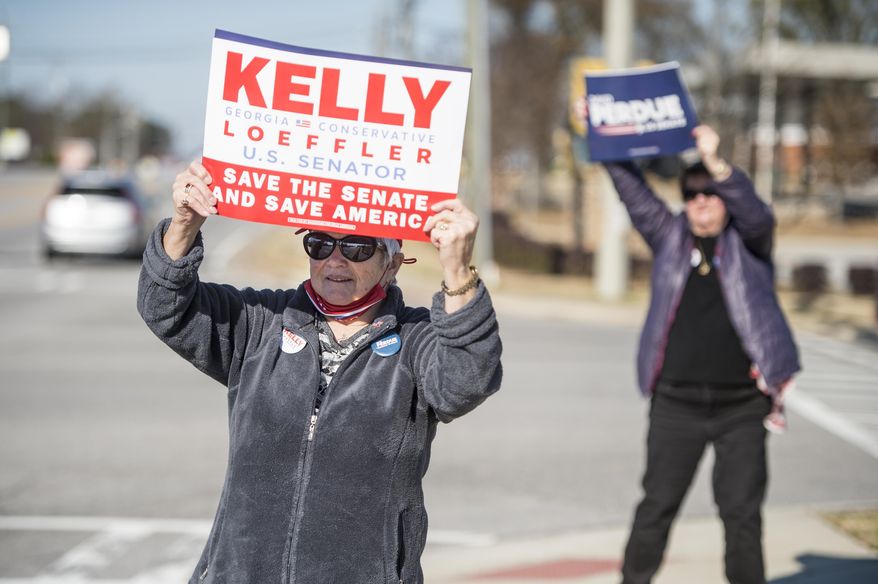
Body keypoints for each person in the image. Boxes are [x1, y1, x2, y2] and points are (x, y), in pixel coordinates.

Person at [137, 160, 503, 584]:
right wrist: (183, 225)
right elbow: (164, 309)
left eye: (358, 247)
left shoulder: (416, 340)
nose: (335, 261)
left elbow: (467, 381)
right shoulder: (263, 321)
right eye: (319, 243)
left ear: (394, 262)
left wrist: (457, 271)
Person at [604, 125, 800, 584]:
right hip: (676, 403)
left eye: (711, 193)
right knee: (656, 507)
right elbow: (632, 190)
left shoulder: (750, 242)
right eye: (692, 194)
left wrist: (717, 163)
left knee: (742, 515)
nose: (701, 201)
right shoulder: (670, 237)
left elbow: (758, 214)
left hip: (741, 407)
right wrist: (601, 136)